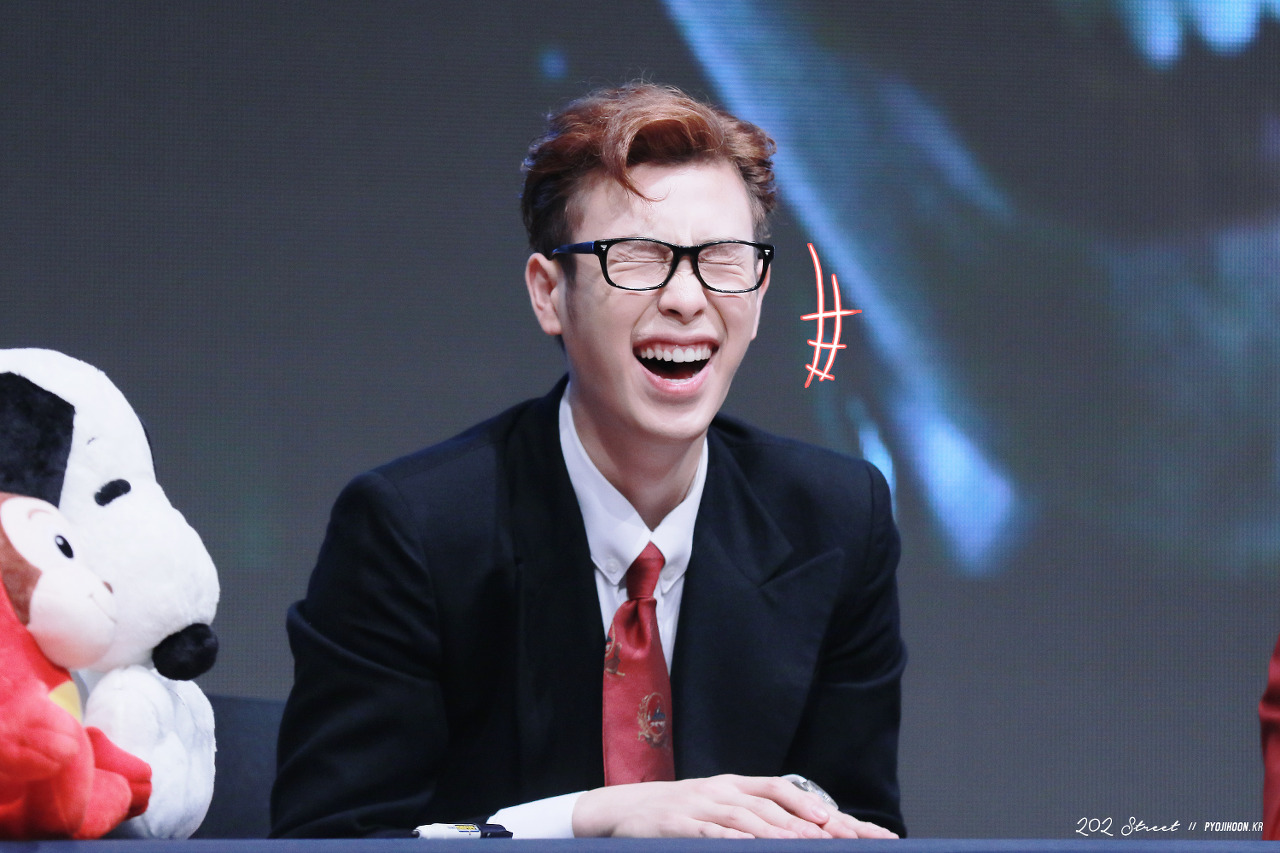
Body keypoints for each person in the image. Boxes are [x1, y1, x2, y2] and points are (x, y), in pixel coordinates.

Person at [270, 82, 906, 840]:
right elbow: (329, 841)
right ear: (549, 293)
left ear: (760, 291)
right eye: (636, 258)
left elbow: (858, 827)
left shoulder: (836, 521)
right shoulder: (416, 530)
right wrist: (588, 820)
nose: (686, 299)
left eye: (723, 261)